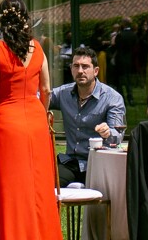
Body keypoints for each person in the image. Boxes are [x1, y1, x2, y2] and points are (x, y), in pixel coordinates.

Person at [0, 0, 69, 240]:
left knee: (9, 194)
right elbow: (46, 89)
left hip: (6, 124)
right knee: (37, 192)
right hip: (35, 125)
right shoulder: (38, 49)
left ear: (1, 21)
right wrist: (41, 116)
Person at [46, 48, 124, 186]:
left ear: (96, 71)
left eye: (85, 66)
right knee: (47, 186)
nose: (80, 71)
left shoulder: (112, 98)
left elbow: (117, 135)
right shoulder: (63, 93)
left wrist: (107, 132)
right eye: (76, 66)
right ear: (71, 69)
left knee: (107, 191)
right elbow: (38, 99)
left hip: (98, 163)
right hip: (70, 162)